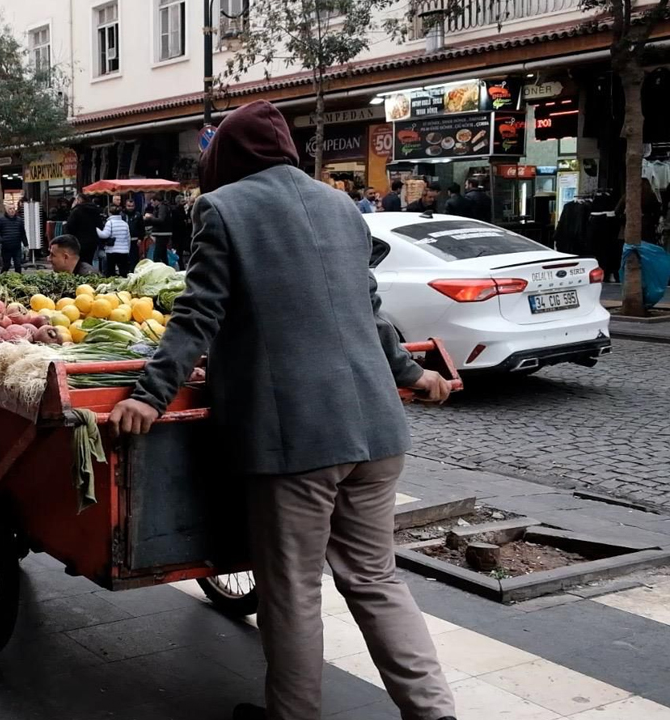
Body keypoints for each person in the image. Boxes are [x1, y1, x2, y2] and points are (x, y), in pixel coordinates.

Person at [106, 101, 456, 720]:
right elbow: (370, 313)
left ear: (227, 157)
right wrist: (414, 374)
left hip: (297, 440)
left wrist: (148, 394)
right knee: (376, 579)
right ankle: (435, 714)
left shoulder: (223, 208)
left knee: (292, 591)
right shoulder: (342, 205)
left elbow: (197, 315)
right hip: (377, 430)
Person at [65, 194, 105, 270]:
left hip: (78, 241)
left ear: (79, 200)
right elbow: (100, 225)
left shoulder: (76, 211)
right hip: (92, 241)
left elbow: (69, 227)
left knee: (78, 262)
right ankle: (89, 274)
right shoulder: (94, 211)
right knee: (88, 261)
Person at [97, 204, 134, 277]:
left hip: (112, 251)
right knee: (123, 272)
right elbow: (128, 238)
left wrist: (97, 229)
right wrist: (127, 250)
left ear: (110, 213)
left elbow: (105, 235)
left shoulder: (109, 223)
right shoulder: (125, 224)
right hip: (124, 251)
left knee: (111, 272)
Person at [0, 199, 28, 274]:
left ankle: (18, 278)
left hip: (17, 247)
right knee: (6, 265)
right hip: (6, 247)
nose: (12, 210)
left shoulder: (19, 220)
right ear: (6, 210)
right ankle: (2, 277)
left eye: (13, 209)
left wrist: (26, 245)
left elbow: (23, 233)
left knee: (18, 265)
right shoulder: (1, 220)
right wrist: (0, 241)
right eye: (10, 209)